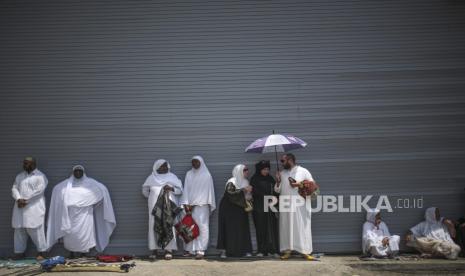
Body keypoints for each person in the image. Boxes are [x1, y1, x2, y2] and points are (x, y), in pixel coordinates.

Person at [47, 165, 116, 257]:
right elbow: (57, 190)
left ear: (83, 173)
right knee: (70, 235)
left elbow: (102, 190)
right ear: (73, 173)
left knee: (85, 234)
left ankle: (84, 253)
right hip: (70, 215)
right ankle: (71, 253)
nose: (78, 173)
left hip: (86, 215)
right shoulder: (65, 186)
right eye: (76, 171)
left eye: (80, 171)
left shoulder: (92, 184)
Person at [274, 153, 314, 260]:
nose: (281, 163)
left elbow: (312, 185)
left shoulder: (303, 171)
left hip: (300, 205)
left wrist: (299, 184)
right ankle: (287, 250)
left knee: (301, 227)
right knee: (286, 227)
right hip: (286, 204)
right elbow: (277, 190)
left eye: (283, 161)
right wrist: (277, 181)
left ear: (290, 160)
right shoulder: (282, 173)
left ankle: (304, 251)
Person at [142, 159, 183, 260]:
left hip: (169, 207)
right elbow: (144, 191)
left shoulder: (172, 177)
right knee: (153, 225)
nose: (164, 168)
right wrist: (153, 197)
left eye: (165, 166)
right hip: (154, 207)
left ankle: (169, 250)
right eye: (161, 166)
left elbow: (180, 191)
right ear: (156, 167)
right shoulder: (151, 178)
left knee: (169, 224)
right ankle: (154, 250)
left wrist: (172, 189)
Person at [11, 157, 48, 260]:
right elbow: (14, 188)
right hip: (20, 206)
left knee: (35, 229)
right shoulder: (20, 176)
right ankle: (19, 252)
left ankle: (42, 252)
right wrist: (18, 199)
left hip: (34, 207)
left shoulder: (40, 176)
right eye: (24, 163)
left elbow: (39, 191)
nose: (24, 165)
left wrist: (25, 200)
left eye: (26, 163)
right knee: (19, 229)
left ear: (33, 164)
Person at [180, 156, 216, 259]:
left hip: (201, 206)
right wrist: (186, 203)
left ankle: (201, 250)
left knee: (202, 227)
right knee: (189, 226)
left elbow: (207, 192)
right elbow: (186, 188)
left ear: (201, 163)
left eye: (196, 162)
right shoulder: (189, 174)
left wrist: (195, 204)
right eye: (193, 162)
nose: (194, 164)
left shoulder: (206, 175)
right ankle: (190, 250)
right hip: (189, 206)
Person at [217, 164, 253, 258]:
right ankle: (226, 251)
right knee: (229, 229)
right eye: (244, 170)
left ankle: (245, 251)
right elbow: (230, 194)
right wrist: (243, 190)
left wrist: (249, 194)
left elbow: (247, 197)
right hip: (228, 210)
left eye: (247, 170)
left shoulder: (246, 181)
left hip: (240, 209)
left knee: (242, 229)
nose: (247, 172)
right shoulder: (231, 182)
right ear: (239, 171)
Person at [250, 160, 279, 257]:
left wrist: (278, 181)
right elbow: (254, 193)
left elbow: (276, 191)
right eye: (264, 169)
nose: (266, 171)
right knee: (261, 228)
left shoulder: (270, 178)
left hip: (270, 207)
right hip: (259, 208)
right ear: (259, 170)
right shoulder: (254, 179)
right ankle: (261, 251)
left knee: (272, 228)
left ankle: (273, 250)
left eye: (268, 169)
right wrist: (266, 196)